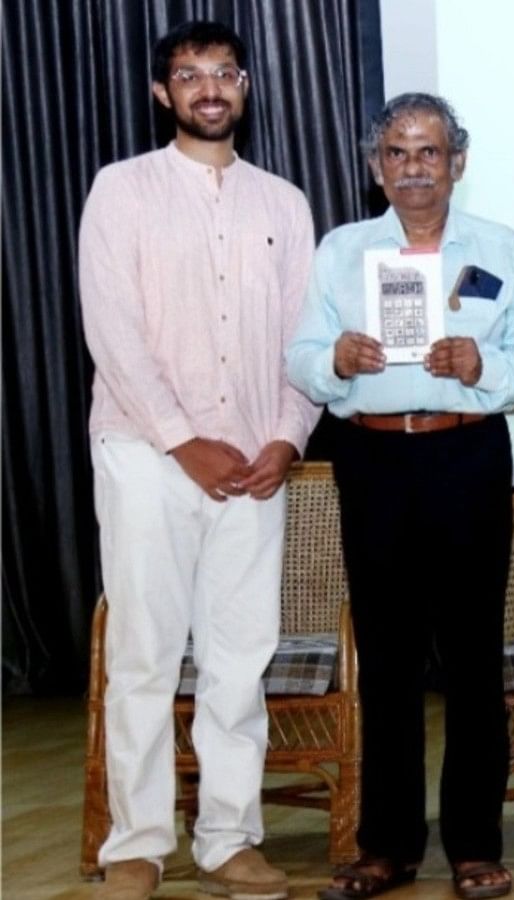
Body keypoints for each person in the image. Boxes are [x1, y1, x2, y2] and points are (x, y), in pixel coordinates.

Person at [286, 92, 514, 900]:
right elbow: (298, 355)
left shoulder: (501, 247)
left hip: (466, 452)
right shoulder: (341, 251)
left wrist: (487, 369)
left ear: (458, 163)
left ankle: (475, 845)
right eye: (398, 153)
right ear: (377, 168)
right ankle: (387, 848)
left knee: (475, 660)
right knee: (388, 663)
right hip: (371, 461)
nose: (414, 168)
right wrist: (333, 358)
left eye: (429, 152)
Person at [78, 20, 319, 900]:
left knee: (240, 656)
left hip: (257, 464)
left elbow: (307, 342)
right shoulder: (122, 191)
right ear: (162, 93)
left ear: (246, 86)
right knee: (144, 654)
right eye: (190, 75)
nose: (208, 88)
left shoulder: (284, 204)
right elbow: (112, 331)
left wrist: (288, 437)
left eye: (224, 73)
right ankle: (136, 844)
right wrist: (184, 441)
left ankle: (227, 838)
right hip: (147, 456)